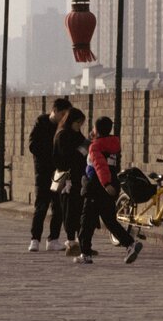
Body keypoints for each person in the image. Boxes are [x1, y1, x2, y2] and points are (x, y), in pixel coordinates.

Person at [76, 115, 143, 264]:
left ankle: (85, 253)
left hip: (96, 187)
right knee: (110, 220)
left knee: (86, 222)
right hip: (112, 184)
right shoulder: (113, 144)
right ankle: (130, 244)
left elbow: (100, 166)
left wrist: (105, 184)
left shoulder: (95, 146)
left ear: (97, 130)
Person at [49, 105, 89, 255]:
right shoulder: (63, 135)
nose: (79, 126)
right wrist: (83, 148)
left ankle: (81, 243)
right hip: (68, 179)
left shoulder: (75, 135)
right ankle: (71, 242)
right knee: (70, 211)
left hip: (79, 177)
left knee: (79, 210)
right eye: (78, 123)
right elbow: (69, 158)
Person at [25, 101, 63, 252]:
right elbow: (32, 145)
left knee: (58, 206)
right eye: (62, 114)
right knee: (41, 206)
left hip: (59, 172)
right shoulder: (41, 122)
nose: (63, 117)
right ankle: (35, 239)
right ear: (54, 111)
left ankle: (53, 239)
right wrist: (50, 154)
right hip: (43, 172)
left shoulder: (63, 126)